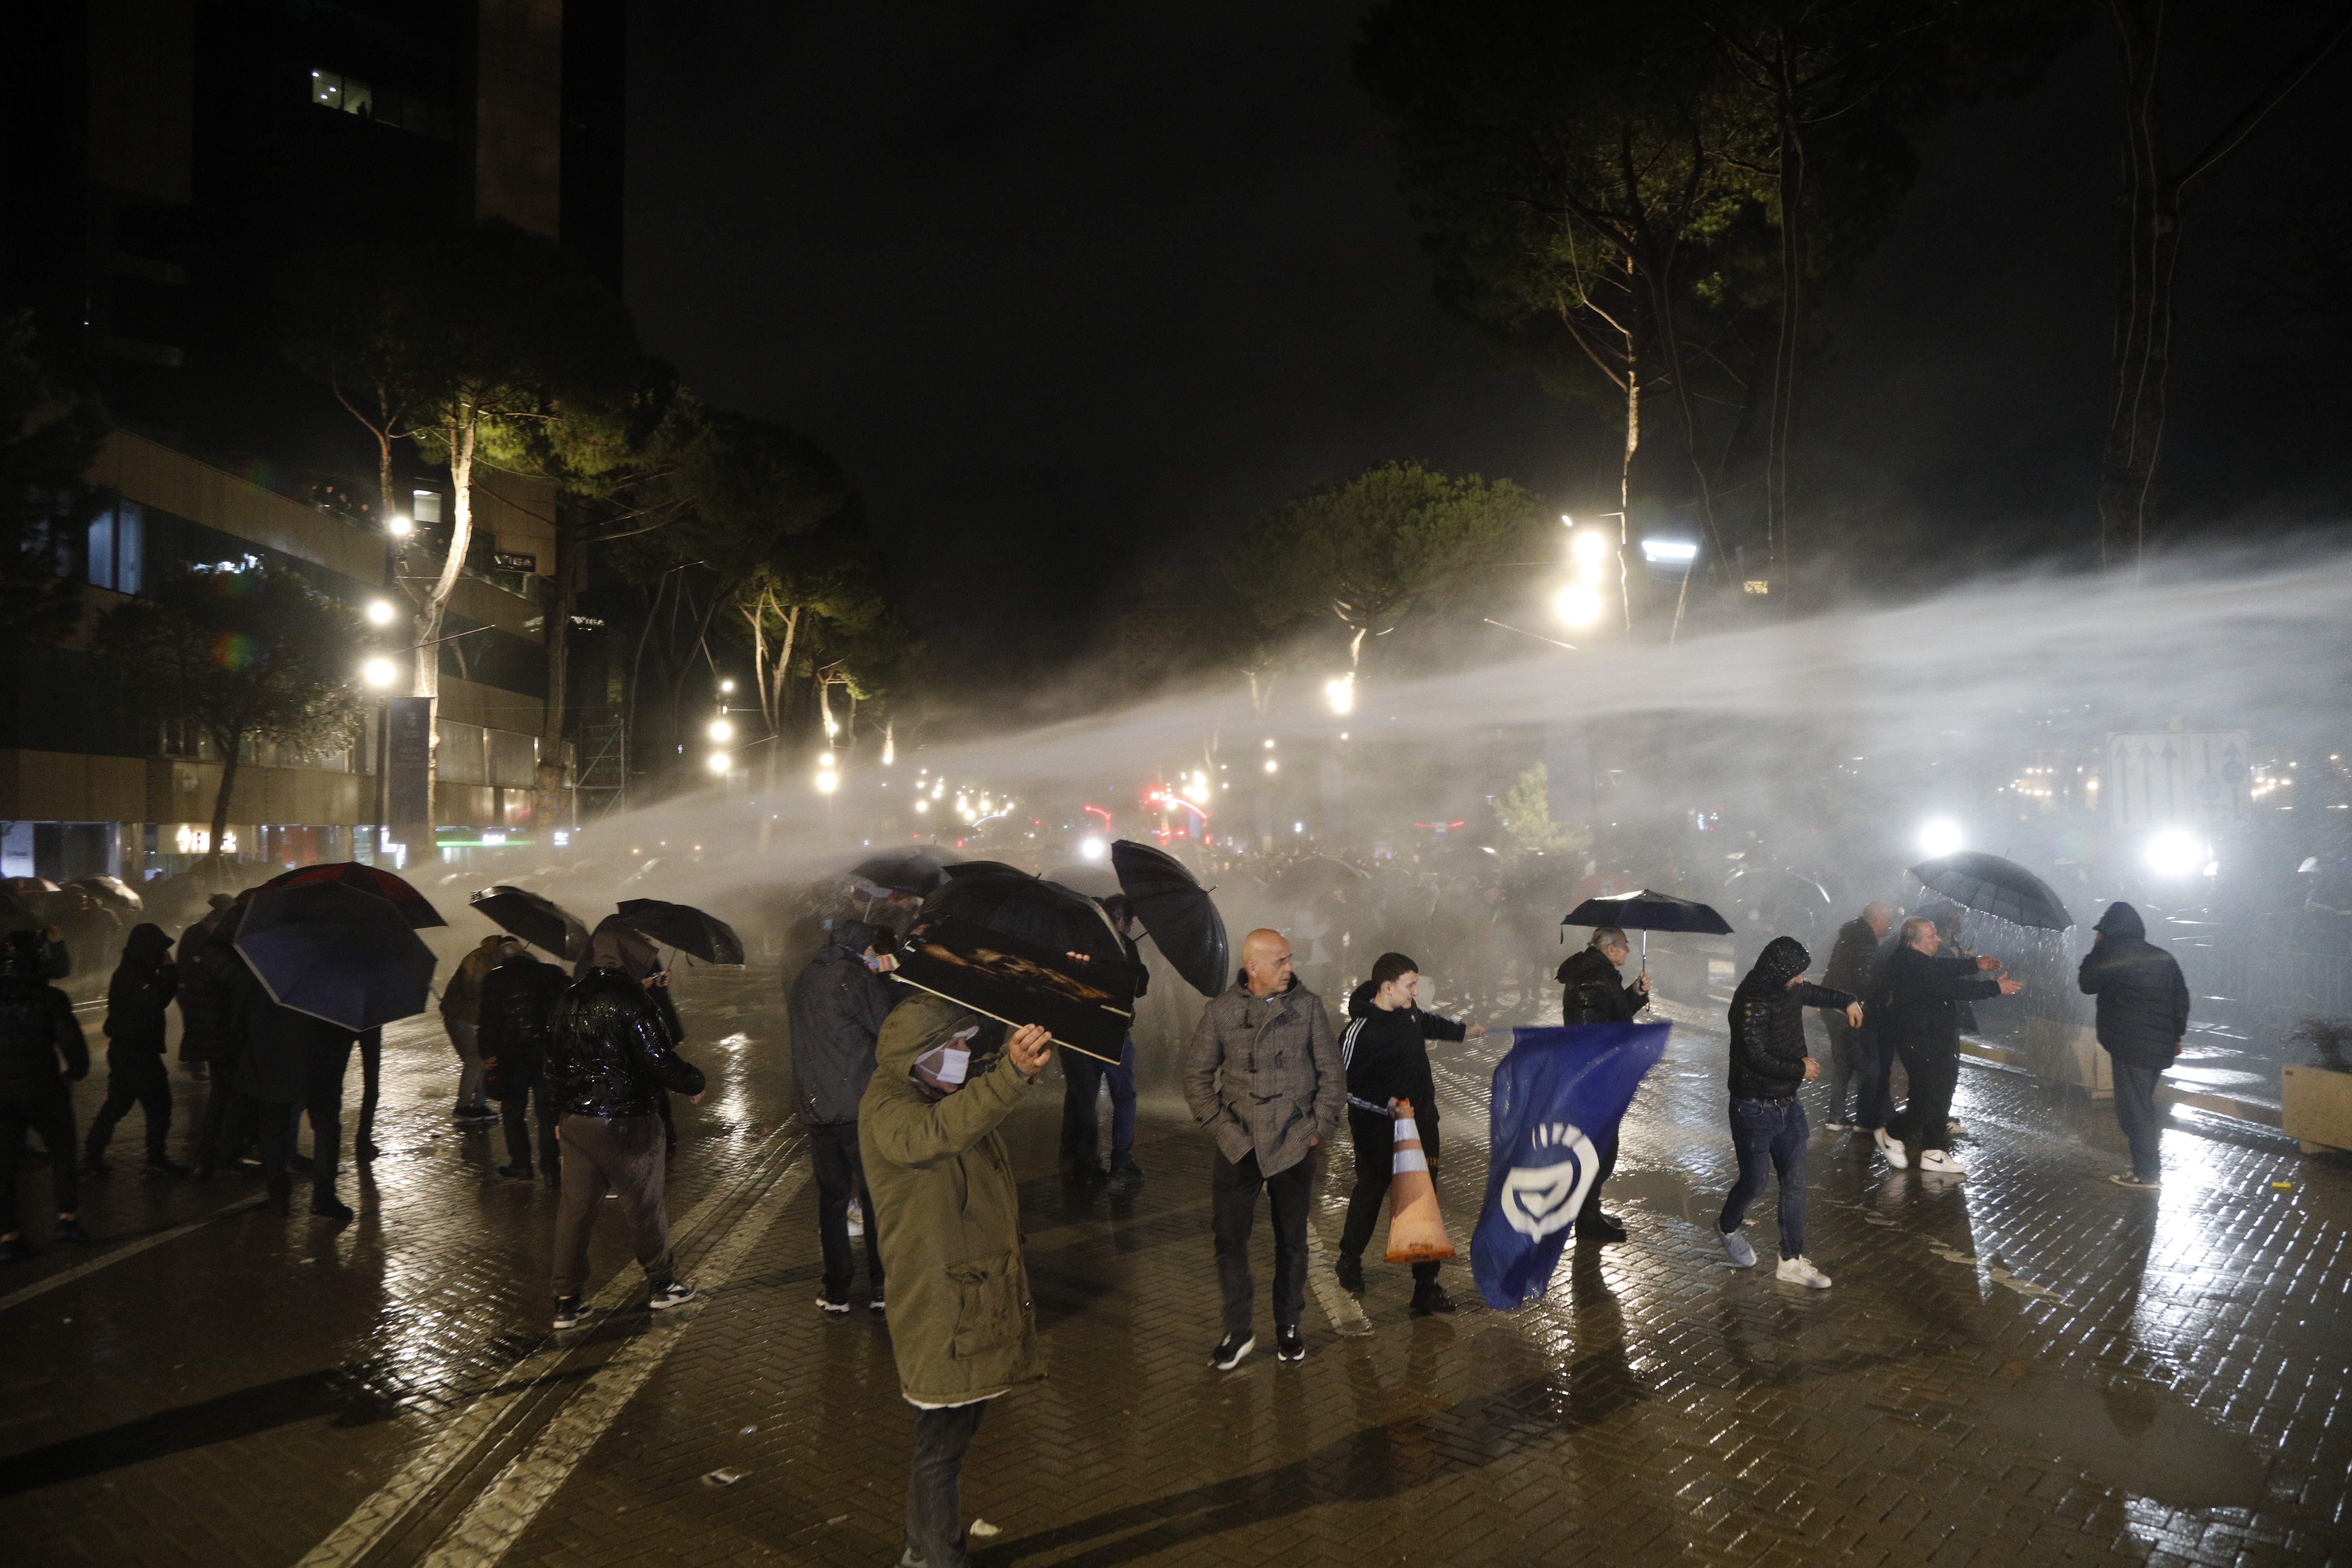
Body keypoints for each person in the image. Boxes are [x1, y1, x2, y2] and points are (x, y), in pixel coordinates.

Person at [862, 995, 1052, 1568]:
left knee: (947, 1443)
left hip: (972, 1302)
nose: (966, 1057)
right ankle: (936, 1557)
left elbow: (980, 1093)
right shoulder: (891, 1111)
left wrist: (1033, 1044)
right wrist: (1012, 1074)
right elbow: (941, 1132)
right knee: (940, 1449)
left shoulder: (936, 1089)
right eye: (957, 1045)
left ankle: (923, 1549)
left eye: (969, 1044)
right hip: (942, 1309)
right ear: (919, 1056)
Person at [1182, 927, 1343, 1371]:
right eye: (1281, 961)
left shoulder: (1308, 1008)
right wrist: (1224, 1130)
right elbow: (1196, 1077)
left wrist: (1316, 1128)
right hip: (1239, 1144)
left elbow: (1332, 1074)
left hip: (1293, 1141)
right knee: (1229, 1240)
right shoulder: (1222, 1012)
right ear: (1253, 967)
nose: (1290, 968)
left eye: (1291, 959)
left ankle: (1289, 1326)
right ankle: (1238, 1331)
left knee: (1292, 1242)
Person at [545, 966, 707, 1331]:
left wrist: (557, 1111)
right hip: (628, 1120)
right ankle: (663, 1283)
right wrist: (694, 1081)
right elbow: (658, 1058)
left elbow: (552, 1063)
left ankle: (567, 1301)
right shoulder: (633, 1000)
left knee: (575, 1212)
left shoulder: (567, 1000)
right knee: (644, 1204)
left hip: (577, 1121)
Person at [1336, 952, 1484, 1314]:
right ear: (1387, 988)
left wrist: (1463, 1031)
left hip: (1422, 1125)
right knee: (1372, 1190)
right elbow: (1344, 1086)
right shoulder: (1360, 1032)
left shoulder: (1409, 1011)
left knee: (1423, 1200)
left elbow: (1427, 1023)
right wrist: (1386, 1104)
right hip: (1377, 1129)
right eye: (1410, 985)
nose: (1416, 992)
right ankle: (1349, 1259)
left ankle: (1426, 1287)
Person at [1715, 937, 1858, 1288]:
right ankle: (1728, 1225)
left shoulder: (1787, 987)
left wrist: (1847, 1001)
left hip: (1788, 1106)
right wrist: (1799, 1068)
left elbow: (1814, 993)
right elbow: (1755, 1057)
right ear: (1778, 972)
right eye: (1796, 975)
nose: (1800, 980)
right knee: (1756, 1182)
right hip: (1754, 1108)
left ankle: (1791, 1259)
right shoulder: (1751, 1001)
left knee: (1795, 1183)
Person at [789, 918, 897, 1313]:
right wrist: (886, 980)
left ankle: (835, 1289)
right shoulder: (855, 978)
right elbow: (889, 1029)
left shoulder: (805, 978)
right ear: (863, 949)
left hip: (816, 1107)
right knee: (873, 1198)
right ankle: (881, 1286)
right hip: (856, 1107)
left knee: (832, 1201)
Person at [1879, 916, 2019, 1175]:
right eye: (1932, 936)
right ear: (1916, 943)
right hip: (1920, 1039)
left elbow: (1942, 968)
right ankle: (1892, 1133)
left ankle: (1934, 1152)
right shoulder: (1910, 965)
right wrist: (1994, 988)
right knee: (1927, 1096)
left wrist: (1975, 964)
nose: (1939, 939)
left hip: (1937, 1036)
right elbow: (1947, 986)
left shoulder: (1919, 960)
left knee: (1943, 1092)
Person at [230, 965, 368, 1218]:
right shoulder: (335, 970)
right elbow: (349, 1022)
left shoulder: (263, 965)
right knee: (326, 1125)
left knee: (274, 1128)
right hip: (322, 1061)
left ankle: (279, 1199)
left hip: (273, 1059)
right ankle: (324, 1197)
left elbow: (239, 1015)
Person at [2077, 902, 2190, 1189]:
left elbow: (2087, 984)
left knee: (2135, 1111)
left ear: (2108, 930)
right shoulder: (2163, 956)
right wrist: (2176, 1036)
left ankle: (2147, 1172)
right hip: (2159, 1046)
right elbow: (2181, 1002)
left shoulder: (2109, 951)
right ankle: (2144, 1165)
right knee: (2141, 1106)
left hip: (2130, 1046)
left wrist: (2096, 949)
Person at [1553, 925, 1651, 1244]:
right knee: (1599, 1150)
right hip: (1595, 1077)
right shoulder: (1592, 978)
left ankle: (1590, 1212)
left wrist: (1635, 994)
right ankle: (1587, 1219)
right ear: (1610, 949)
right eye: (1624, 946)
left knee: (1603, 1147)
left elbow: (1614, 1015)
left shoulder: (1600, 975)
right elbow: (1592, 1032)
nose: (1628, 951)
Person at [0, 929, 91, 1261]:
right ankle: (67, 1220)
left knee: (5, 1163)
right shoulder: (51, 999)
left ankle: (8, 1236)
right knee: (63, 1150)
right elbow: (72, 1045)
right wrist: (75, 1073)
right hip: (43, 1088)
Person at [84, 923, 186, 1175]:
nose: (164, 956)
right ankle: (156, 1159)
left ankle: (92, 1157)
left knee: (118, 1104)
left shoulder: (137, 970)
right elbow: (157, 1000)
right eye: (160, 951)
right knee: (158, 1104)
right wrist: (170, 970)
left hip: (132, 1049)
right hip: (135, 1052)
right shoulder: (132, 974)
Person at [1062, 896, 1145, 1191]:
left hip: (1077, 1033)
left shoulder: (1078, 941)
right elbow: (1140, 986)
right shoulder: (1123, 945)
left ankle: (1085, 1164)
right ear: (1123, 922)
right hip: (1113, 1032)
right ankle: (1121, 1163)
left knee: (1084, 1100)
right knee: (1124, 1098)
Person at [478, 938, 570, 1185]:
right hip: (545, 1055)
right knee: (548, 1113)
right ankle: (551, 1169)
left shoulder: (494, 979)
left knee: (513, 1112)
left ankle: (521, 1164)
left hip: (510, 1057)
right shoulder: (552, 974)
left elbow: (487, 1022)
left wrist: (486, 1054)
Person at [1818, 902, 1893, 1131]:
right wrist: (1883, 996)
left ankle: (1837, 1117)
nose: (1891, 925)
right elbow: (1863, 979)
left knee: (1842, 1063)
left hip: (1831, 1004)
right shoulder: (1865, 940)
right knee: (1868, 1065)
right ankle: (1865, 1120)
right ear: (1877, 920)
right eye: (1889, 920)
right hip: (1848, 1007)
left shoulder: (1850, 935)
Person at [440, 933, 507, 1124]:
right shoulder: (478, 959)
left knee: (488, 1059)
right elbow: (470, 989)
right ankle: (462, 1107)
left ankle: (479, 1105)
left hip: (479, 1020)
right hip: (461, 1016)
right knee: (476, 1060)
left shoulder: (498, 962)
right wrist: (494, 980)